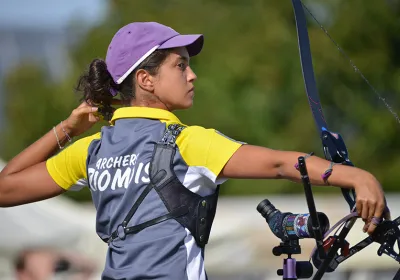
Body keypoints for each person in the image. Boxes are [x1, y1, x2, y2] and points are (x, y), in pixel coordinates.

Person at [0, 21, 390, 280]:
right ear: (146, 79)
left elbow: (5, 187)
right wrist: (357, 176)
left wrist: (68, 128)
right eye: (180, 65)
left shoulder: (92, 150)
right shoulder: (188, 143)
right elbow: (278, 163)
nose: (192, 74)